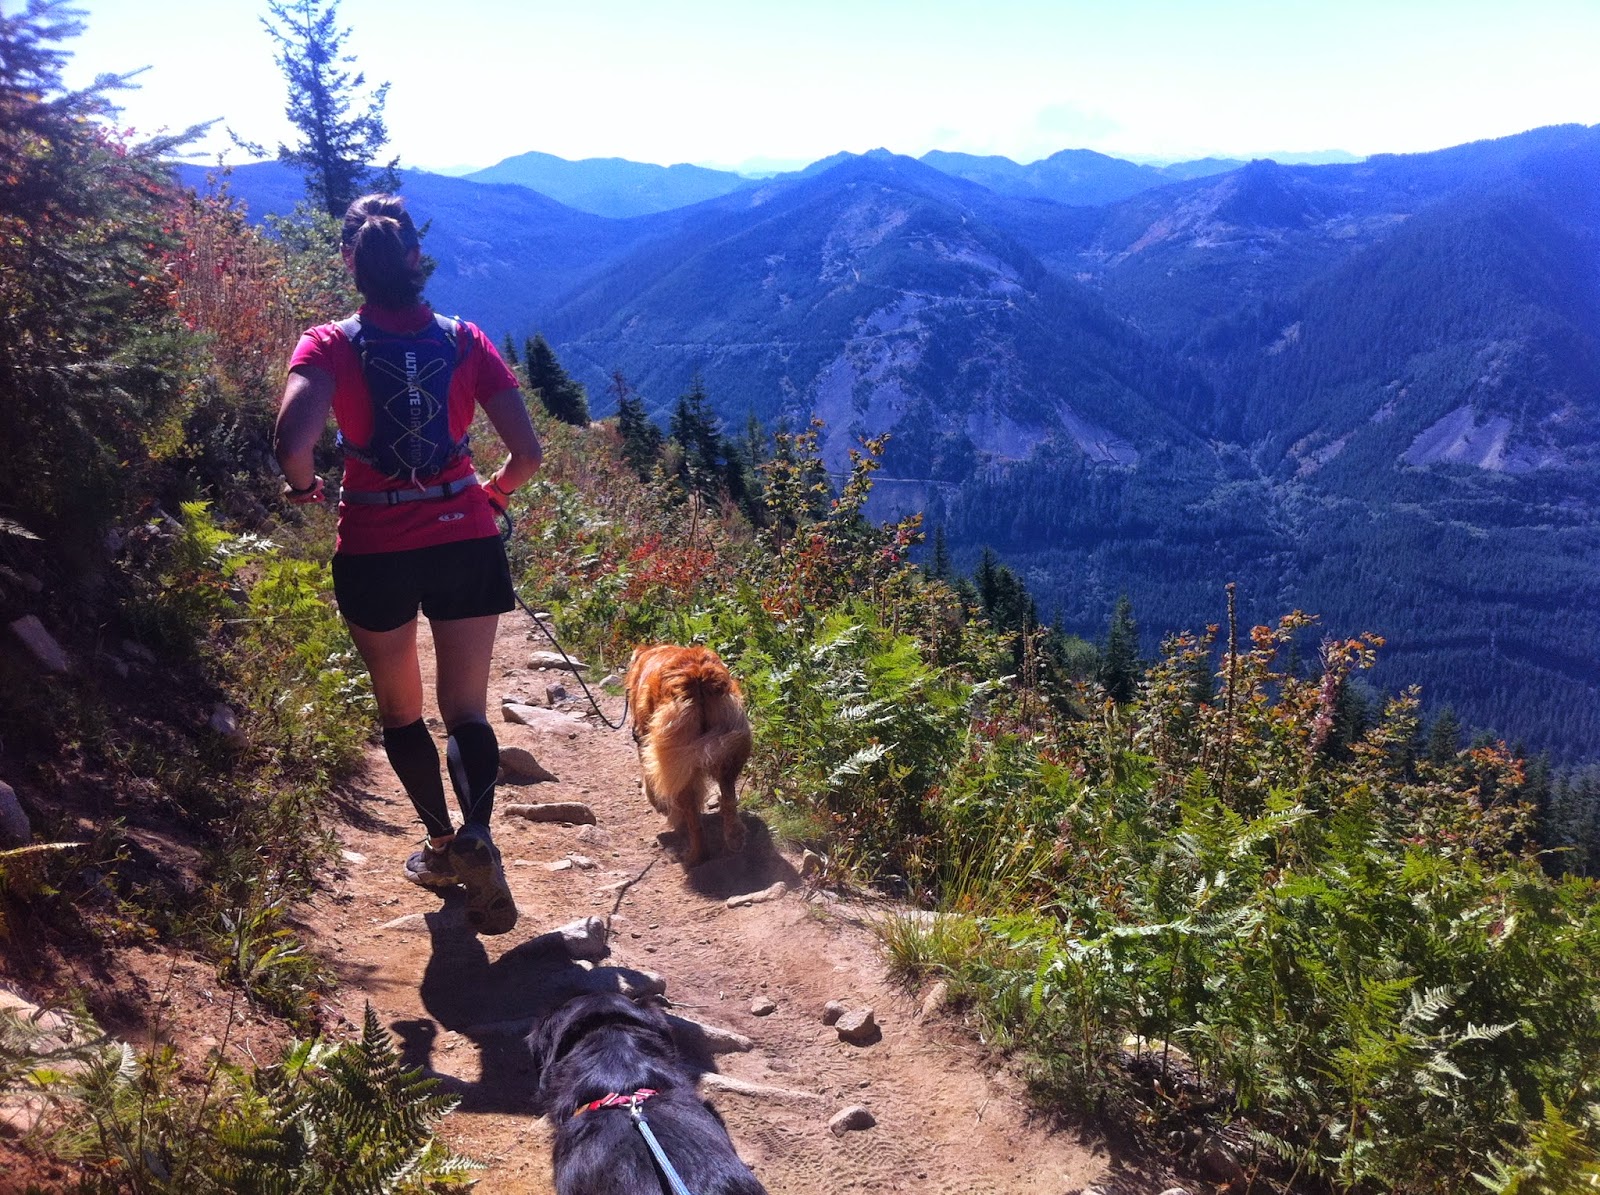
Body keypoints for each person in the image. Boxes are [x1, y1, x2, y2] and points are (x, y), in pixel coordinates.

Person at [273, 193, 541, 936]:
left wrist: (304, 487)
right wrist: (491, 494)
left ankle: (442, 844)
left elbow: (292, 441)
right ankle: (478, 831)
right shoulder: (464, 339)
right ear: (417, 259)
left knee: (401, 710)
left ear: (350, 263)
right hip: (464, 535)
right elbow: (527, 454)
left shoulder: (328, 344)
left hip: (374, 544)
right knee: (467, 710)